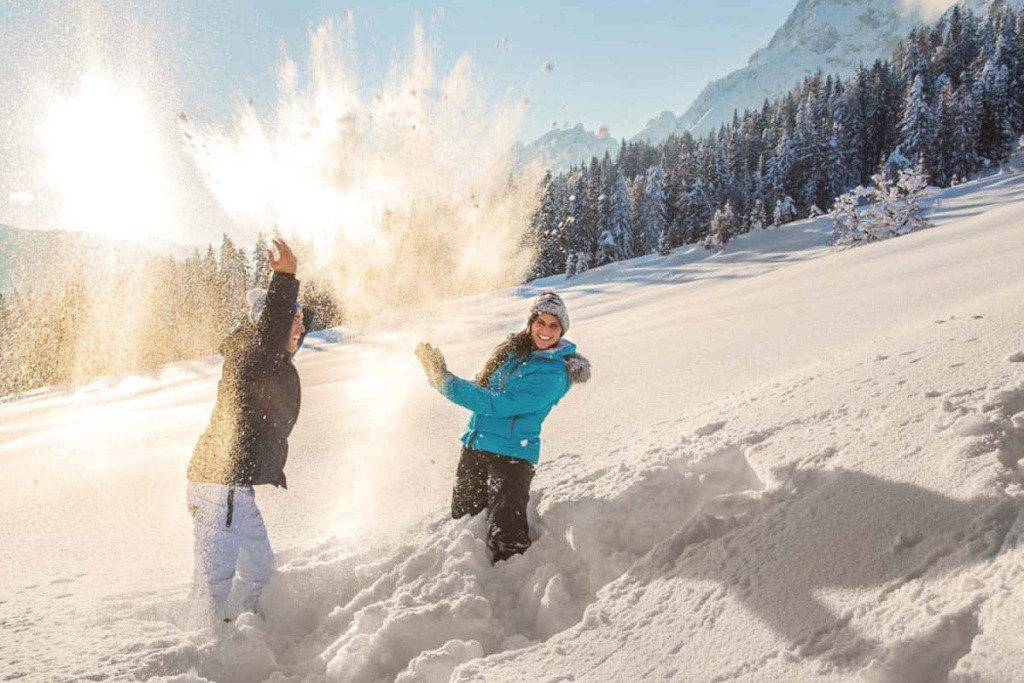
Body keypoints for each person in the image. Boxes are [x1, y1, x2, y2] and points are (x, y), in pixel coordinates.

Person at [185, 237, 314, 621]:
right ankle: (204, 643)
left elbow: (282, 331)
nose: (301, 324)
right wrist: (285, 280)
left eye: (299, 317)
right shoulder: (254, 355)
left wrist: (290, 299)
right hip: (219, 483)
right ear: (269, 324)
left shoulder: (269, 358)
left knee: (259, 571)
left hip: (234, 488)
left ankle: (247, 632)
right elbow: (272, 331)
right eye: (293, 317)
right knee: (213, 585)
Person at [415, 291, 590, 563]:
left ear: (562, 330)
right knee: (465, 525)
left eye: (554, 325)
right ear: (531, 322)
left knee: (506, 538)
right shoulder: (512, 352)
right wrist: (440, 375)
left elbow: (496, 404)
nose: (545, 331)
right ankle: (469, 581)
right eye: (540, 322)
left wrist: (445, 381)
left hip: (510, 458)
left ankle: (515, 585)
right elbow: (480, 387)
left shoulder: (554, 372)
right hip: (475, 446)